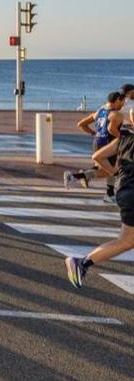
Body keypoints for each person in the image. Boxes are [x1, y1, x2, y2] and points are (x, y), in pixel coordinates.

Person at [65, 122, 134, 288]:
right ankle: (82, 263)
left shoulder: (125, 137)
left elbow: (97, 157)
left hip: (124, 190)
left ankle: (82, 263)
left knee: (126, 241)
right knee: (126, 241)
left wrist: (114, 172)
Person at [71, 92, 125, 202]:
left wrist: (93, 133)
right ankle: (77, 176)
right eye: (122, 102)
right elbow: (111, 129)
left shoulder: (99, 111)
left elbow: (81, 124)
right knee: (111, 170)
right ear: (118, 100)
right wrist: (123, 139)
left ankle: (108, 192)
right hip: (109, 143)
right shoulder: (116, 114)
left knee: (104, 169)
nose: (123, 104)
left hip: (97, 142)